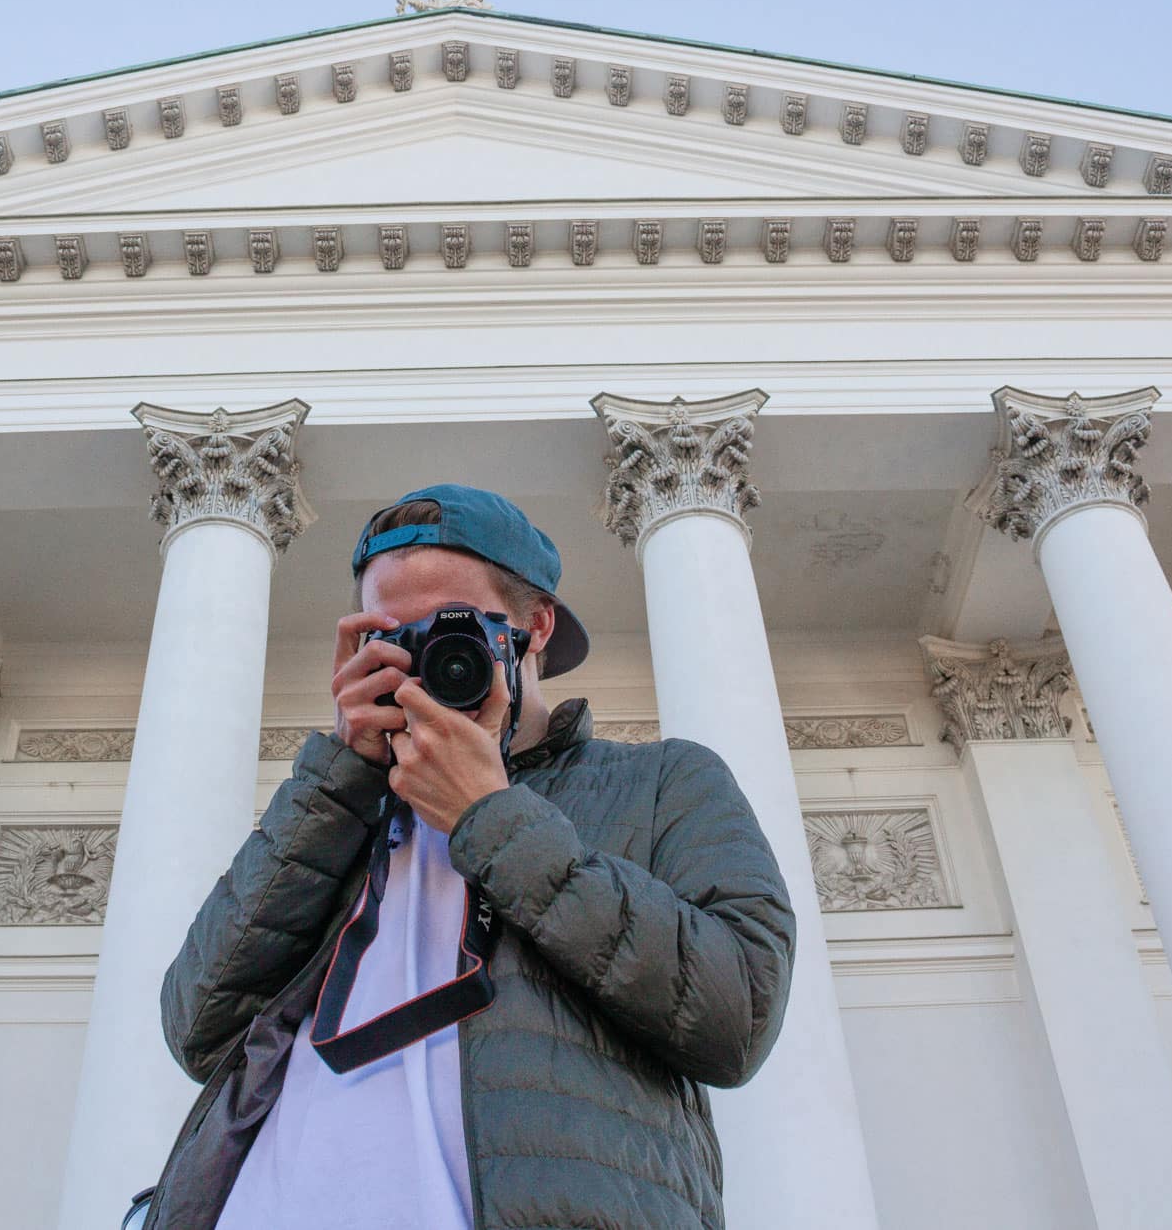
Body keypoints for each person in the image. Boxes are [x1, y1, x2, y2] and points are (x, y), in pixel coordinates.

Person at [147, 484, 796, 1229]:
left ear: (537, 626)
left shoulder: (664, 781)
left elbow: (738, 1015)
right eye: (395, 636)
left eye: (452, 627)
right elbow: (198, 1025)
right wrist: (338, 778)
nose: (427, 658)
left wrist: (491, 814)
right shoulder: (340, 812)